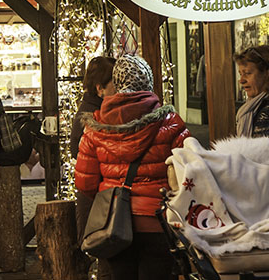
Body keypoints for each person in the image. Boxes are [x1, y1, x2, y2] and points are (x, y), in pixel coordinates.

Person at [75, 54, 190, 280]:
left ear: (116, 85)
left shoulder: (95, 127)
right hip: (159, 221)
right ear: (148, 82)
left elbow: (85, 183)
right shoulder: (171, 122)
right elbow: (188, 175)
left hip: (115, 224)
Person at [72, 56, 117, 239]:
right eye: (116, 83)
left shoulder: (97, 110)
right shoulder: (92, 117)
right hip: (96, 194)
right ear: (100, 88)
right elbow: (76, 150)